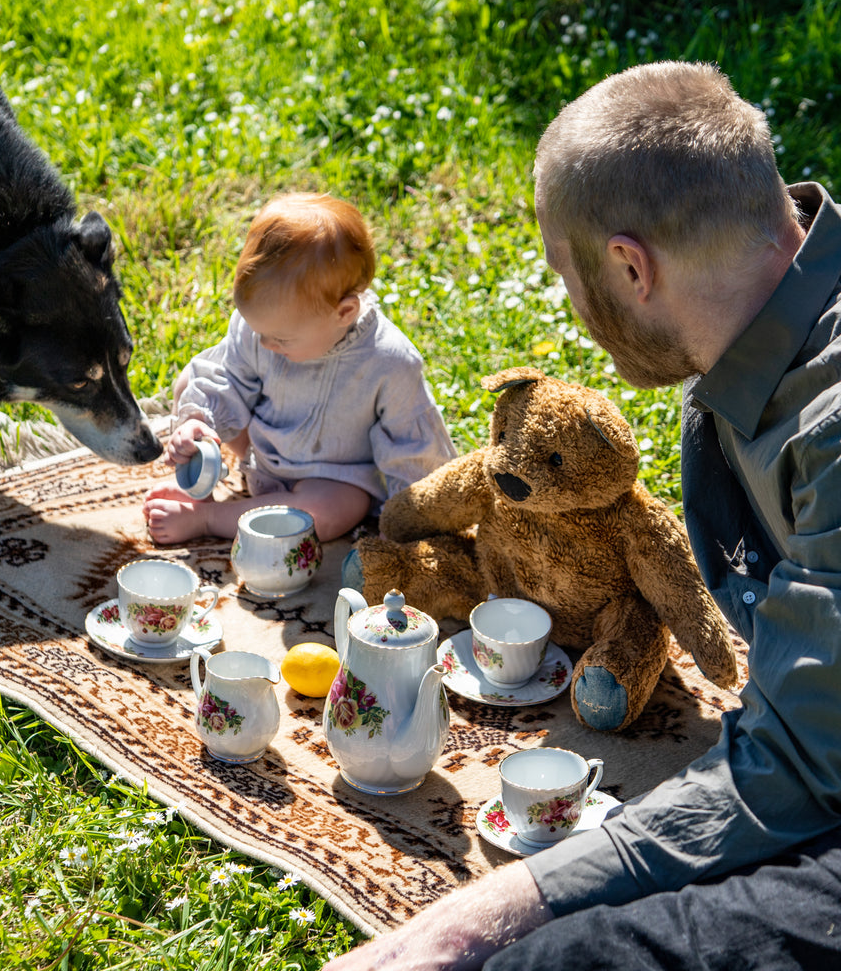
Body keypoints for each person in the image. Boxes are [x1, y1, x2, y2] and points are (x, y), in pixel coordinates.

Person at [323, 60, 841, 970]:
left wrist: (478, 917)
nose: (574, 309)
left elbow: (802, 770)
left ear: (630, 265)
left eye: (568, 279)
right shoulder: (768, 335)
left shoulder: (831, 435)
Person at [143, 192, 456, 544]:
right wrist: (198, 423)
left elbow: (413, 449)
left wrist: (411, 521)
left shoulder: (389, 362)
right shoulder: (266, 329)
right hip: (258, 452)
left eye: (280, 339)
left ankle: (209, 518)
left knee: (327, 512)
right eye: (258, 331)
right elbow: (226, 377)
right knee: (192, 380)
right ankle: (200, 484)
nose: (265, 345)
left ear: (344, 313)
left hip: (330, 479)